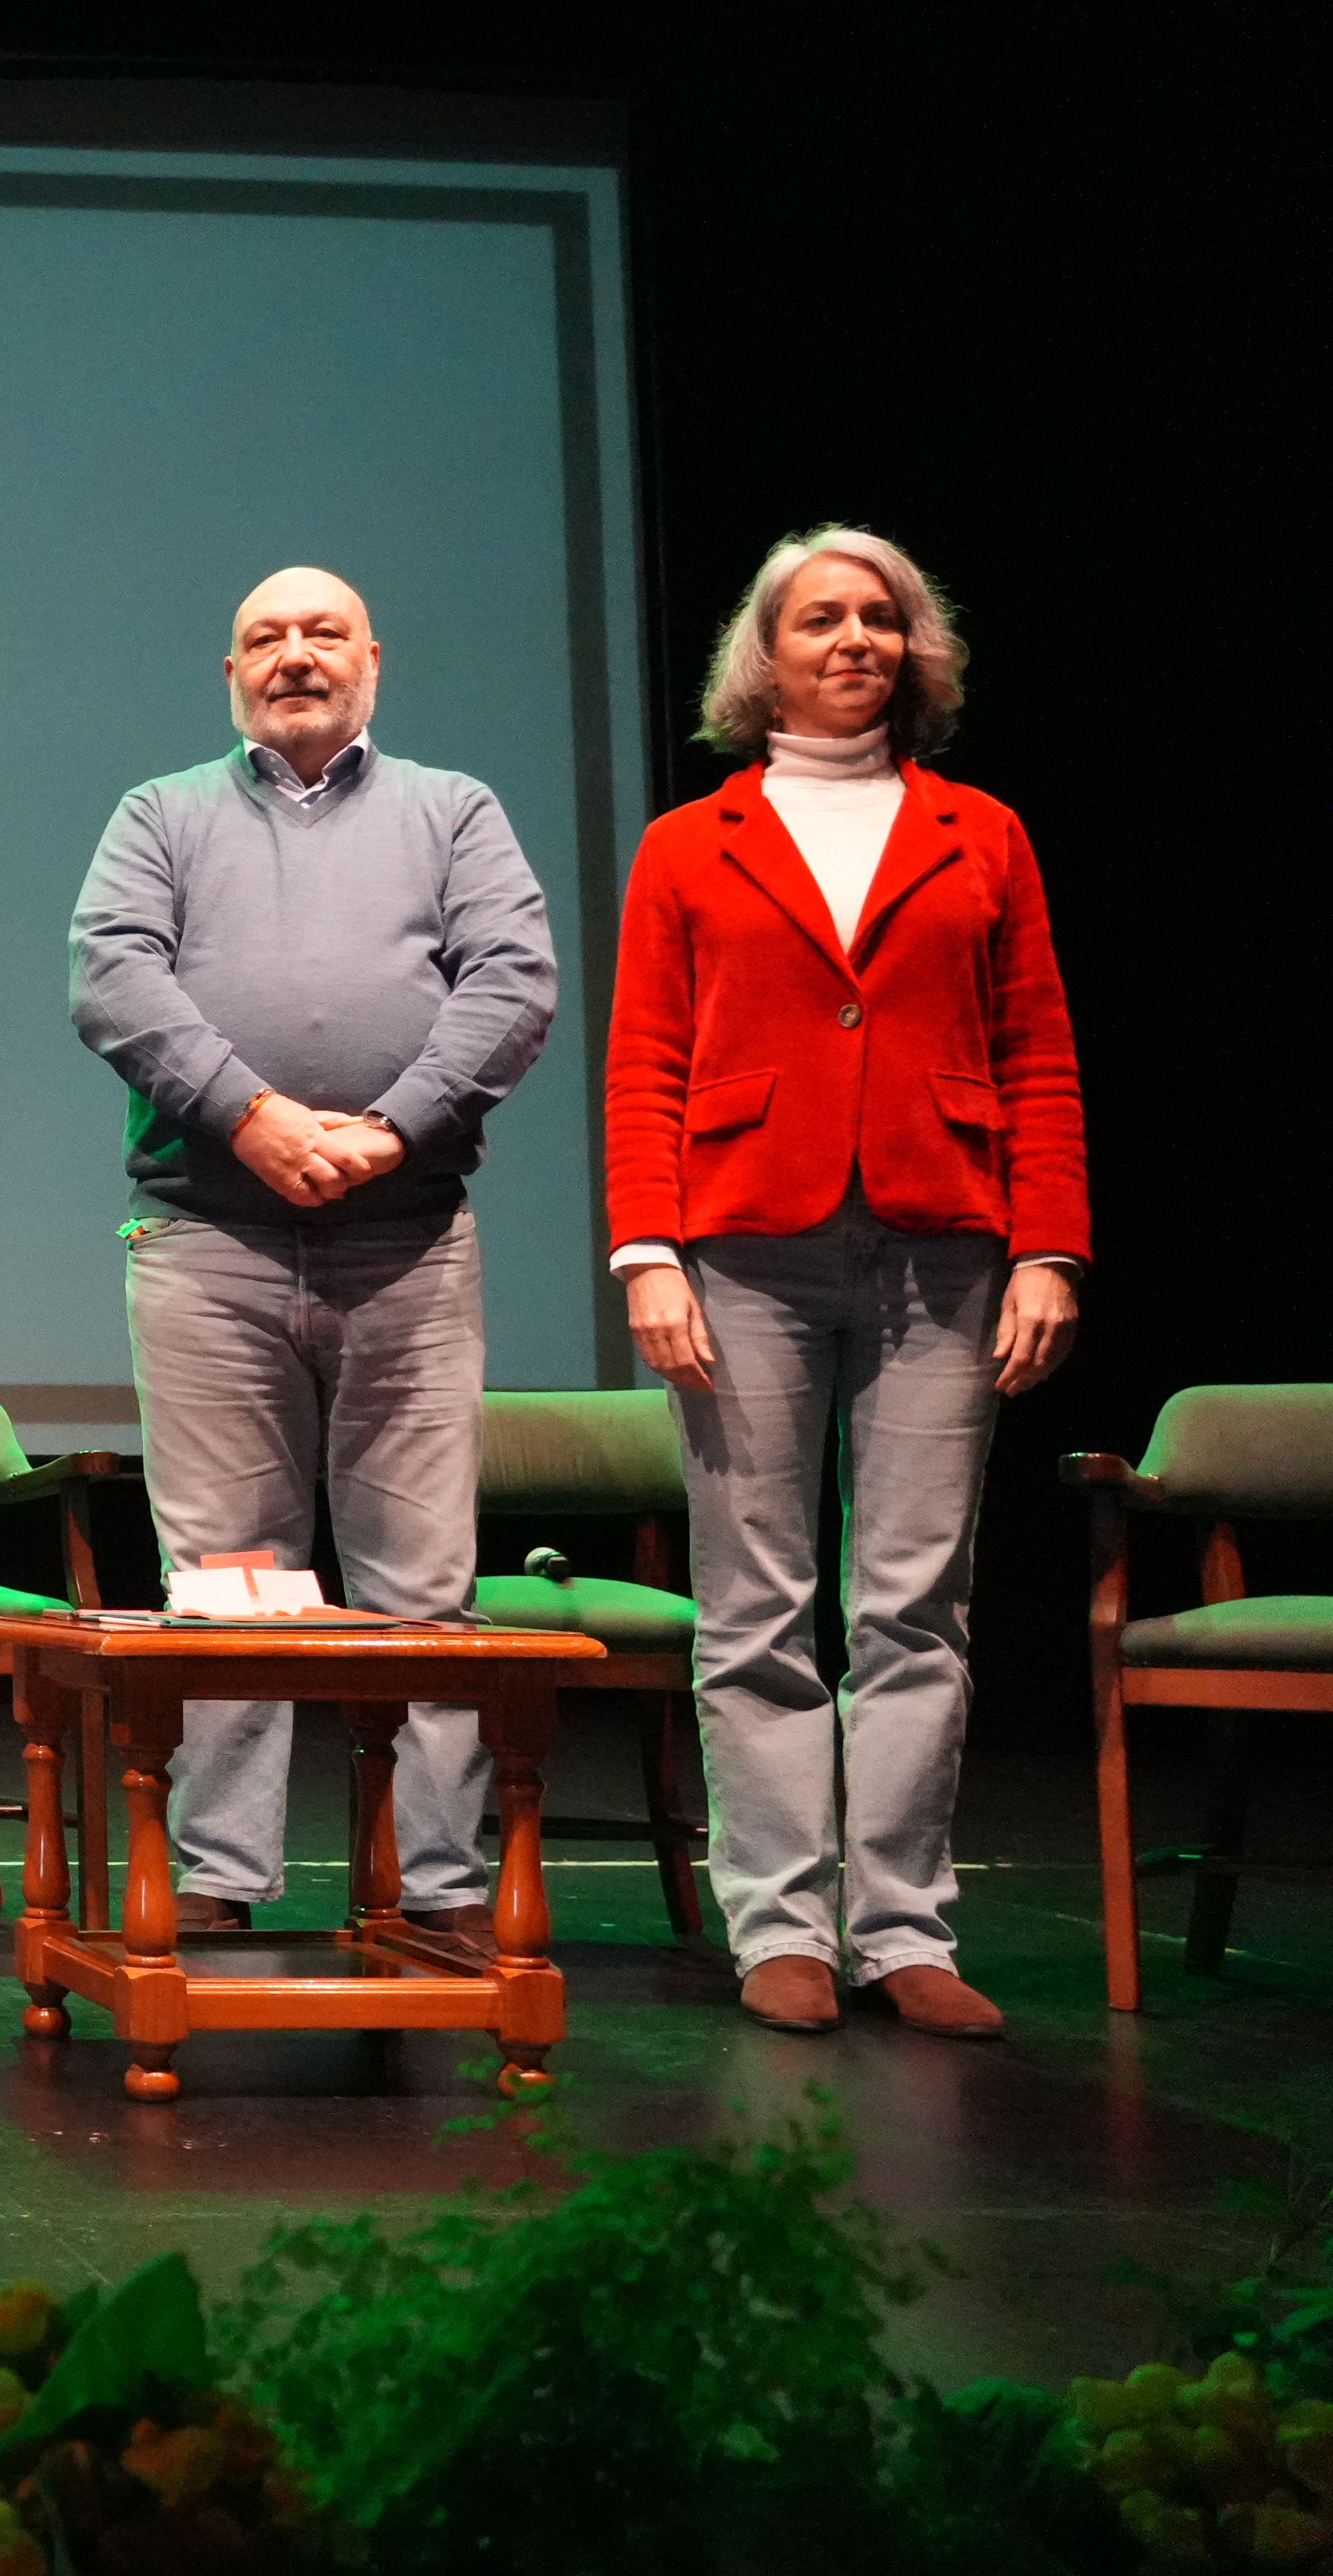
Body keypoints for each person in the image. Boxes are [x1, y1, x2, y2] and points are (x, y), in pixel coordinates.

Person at [608, 525, 1085, 2040]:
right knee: (755, 1605)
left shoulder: (982, 831)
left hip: (943, 1241)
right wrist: (646, 1251)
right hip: (740, 1243)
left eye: (880, 618)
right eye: (822, 618)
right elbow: (644, 1062)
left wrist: (1049, 1246)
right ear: (767, 654)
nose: (855, 640)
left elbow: (1041, 1053)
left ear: (914, 647)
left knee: (915, 1604)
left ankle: (902, 1930)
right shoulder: (693, 841)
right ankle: (780, 1929)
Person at [67, 567, 558, 1945]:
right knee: (227, 1581)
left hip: (407, 1240)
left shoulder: (452, 810)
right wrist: (259, 1116)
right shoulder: (160, 816)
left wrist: (390, 1134)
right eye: (267, 638)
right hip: (208, 1240)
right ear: (229, 673)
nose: (296, 655)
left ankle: (445, 1891)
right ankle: (220, 1883)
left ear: (373, 662)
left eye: (323, 633)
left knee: (423, 1584)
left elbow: (514, 986)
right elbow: (114, 979)